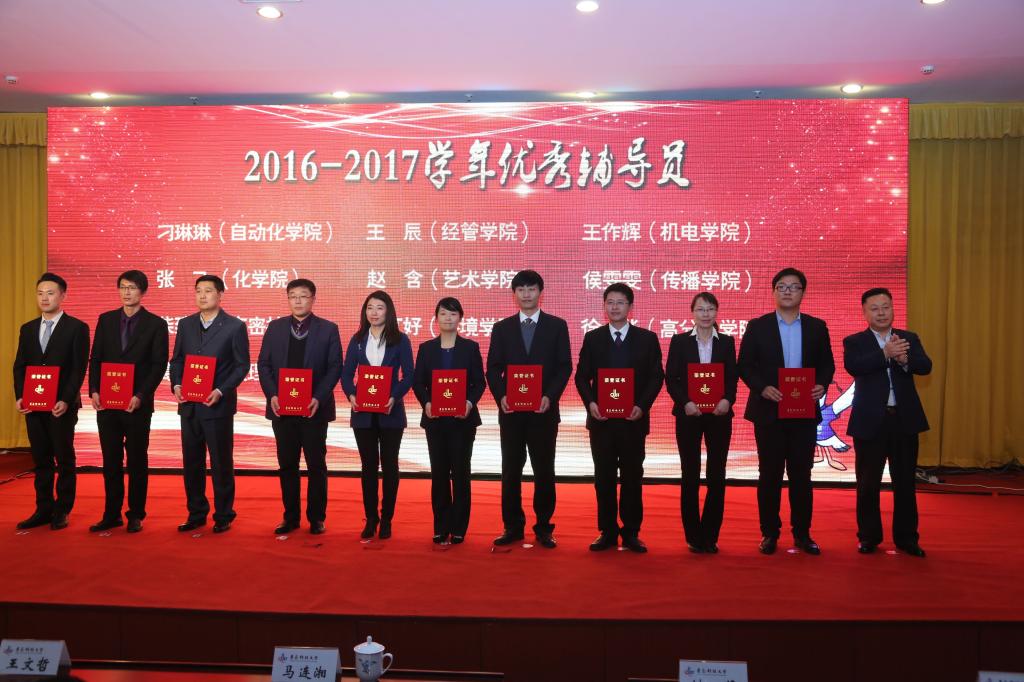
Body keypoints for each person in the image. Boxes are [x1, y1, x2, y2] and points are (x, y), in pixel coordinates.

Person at [738, 267, 835, 555]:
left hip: (803, 411)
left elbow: (827, 364)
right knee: (769, 474)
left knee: (801, 475)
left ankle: (802, 533)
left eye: (794, 287)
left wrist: (821, 385)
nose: (788, 291)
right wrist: (762, 387)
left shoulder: (817, 327)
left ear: (803, 292)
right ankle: (769, 533)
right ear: (773, 292)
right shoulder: (758, 326)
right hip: (769, 410)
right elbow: (745, 365)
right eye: (782, 286)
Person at [574, 283, 664, 553]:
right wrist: (591, 403)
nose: (615, 307)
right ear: (604, 306)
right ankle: (607, 531)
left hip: (633, 421)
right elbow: (581, 377)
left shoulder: (647, 339)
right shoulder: (593, 338)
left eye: (620, 302)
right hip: (601, 422)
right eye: (610, 302)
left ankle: (632, 532)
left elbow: (656, 377)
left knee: (632, 477)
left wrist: (642, 406)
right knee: (603, 478)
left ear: (630, 307)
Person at [486, 270, 572, 549]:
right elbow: (493, 368)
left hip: (543, 413)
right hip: (511, 413)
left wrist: (550, 396)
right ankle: (512, 526)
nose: (526, 294)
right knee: (510, 470)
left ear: (540, 293)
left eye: (531, 289)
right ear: (514, 294)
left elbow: (564, 367)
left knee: (544, 470)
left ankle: (544, 527)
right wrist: (501, 396)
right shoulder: (502, 328)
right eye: (521, 289)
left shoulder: (557, 326)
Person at [844, 287, 931, 557]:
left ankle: (907, 538)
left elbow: (925, 366)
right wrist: (885, 353)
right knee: (867, 483)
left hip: (903, 420)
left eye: (886, 307)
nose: (881, 313)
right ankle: (868, 537)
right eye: (875, 308)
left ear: (893, 309)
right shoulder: (854, 341)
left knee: (904, 483)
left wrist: (905, 359)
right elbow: (854, 366)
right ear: (865, 313)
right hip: (870, 422)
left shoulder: (908, 338)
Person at [257, 279, 342, 536]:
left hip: (314, 409)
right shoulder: (275, 327)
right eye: (292, 295)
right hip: (282, 409)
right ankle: (290, 517)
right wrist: (272, 394)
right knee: (287, 465)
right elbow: (264, 365)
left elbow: (335, 367)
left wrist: (318, 397)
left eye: (303, 296)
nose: (297, 300)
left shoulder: (328, 329)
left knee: (316, 465)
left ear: (313, 299)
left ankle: (316, 518)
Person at [87, 270, 169, 533]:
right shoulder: (106, 320)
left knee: (136, 461)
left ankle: (135, 514)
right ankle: (111, 514)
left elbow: (158, 365)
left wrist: (141, 395)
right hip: (107, 403)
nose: (127, 292)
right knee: (110, 461)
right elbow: (96, 358)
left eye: (132, 287)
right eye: (123, 287)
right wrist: (94, 390)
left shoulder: (156, 324)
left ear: (142, 291)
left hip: (137, 405)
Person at [168, 274, 250, 534]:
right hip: (189, 405)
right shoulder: (185, 324)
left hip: (217, 406)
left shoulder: (235, 326)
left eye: (208, 291)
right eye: (198, 291)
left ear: (220, 294)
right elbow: (177, 360)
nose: (202, 296)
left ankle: (224, 514)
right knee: (192, 462)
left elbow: (241, 366)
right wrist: (176, 384)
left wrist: (221, 390)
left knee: (220, 462)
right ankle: (196, 513)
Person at [12, 273, 90, 531]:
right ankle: (43, 508)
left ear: (62, 296)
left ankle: (62, 509)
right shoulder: (28, 329)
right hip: (34, 405)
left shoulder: (77, 328)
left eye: (50, 293)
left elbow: (78, 369)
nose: (44, 298)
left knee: (64, 458)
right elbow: (20, 366)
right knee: (41, 458)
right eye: (40, 293)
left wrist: (66, 399)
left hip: (61, 407)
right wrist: (20, 396)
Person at [664, 292, 738, 553]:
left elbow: (732, 377)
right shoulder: (680, 341)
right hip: (689, 415)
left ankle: (711, 535)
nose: (705, 314)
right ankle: (693, 536)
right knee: (690, 473)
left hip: (719, 415)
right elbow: (671, 378)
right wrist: (685, 402)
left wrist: (727, 399)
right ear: (692, 313)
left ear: (717, 312)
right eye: (700, 309)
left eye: (710, 309)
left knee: (717, 474)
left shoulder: (727, 342)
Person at [340, 290, 414, 540]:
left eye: (379, 308)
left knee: (390, 465)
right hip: (363, 413)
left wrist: (394, 396)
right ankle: (371, 518)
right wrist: (351, 395)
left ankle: (387, 518)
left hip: (391, 412)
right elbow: (346, 373)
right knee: (368, 466)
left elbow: (409, 375)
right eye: (370, 307)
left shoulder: (400, 340)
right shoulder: (357, 339)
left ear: (388, 311)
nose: (374, 312)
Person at [412, 297, 486, 544]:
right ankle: (441, 526)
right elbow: (418, 382)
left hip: (462, 421)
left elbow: (479, 382)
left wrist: (469, 403)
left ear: (460, 319)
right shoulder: (426, 349)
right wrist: (426, 403)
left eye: (453, 314)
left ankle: (459, 527)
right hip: (435, 421)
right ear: (436, 318)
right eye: (443, 313)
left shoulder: (470, 348)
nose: (448, 318)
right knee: (439, 473)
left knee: (461, 473)